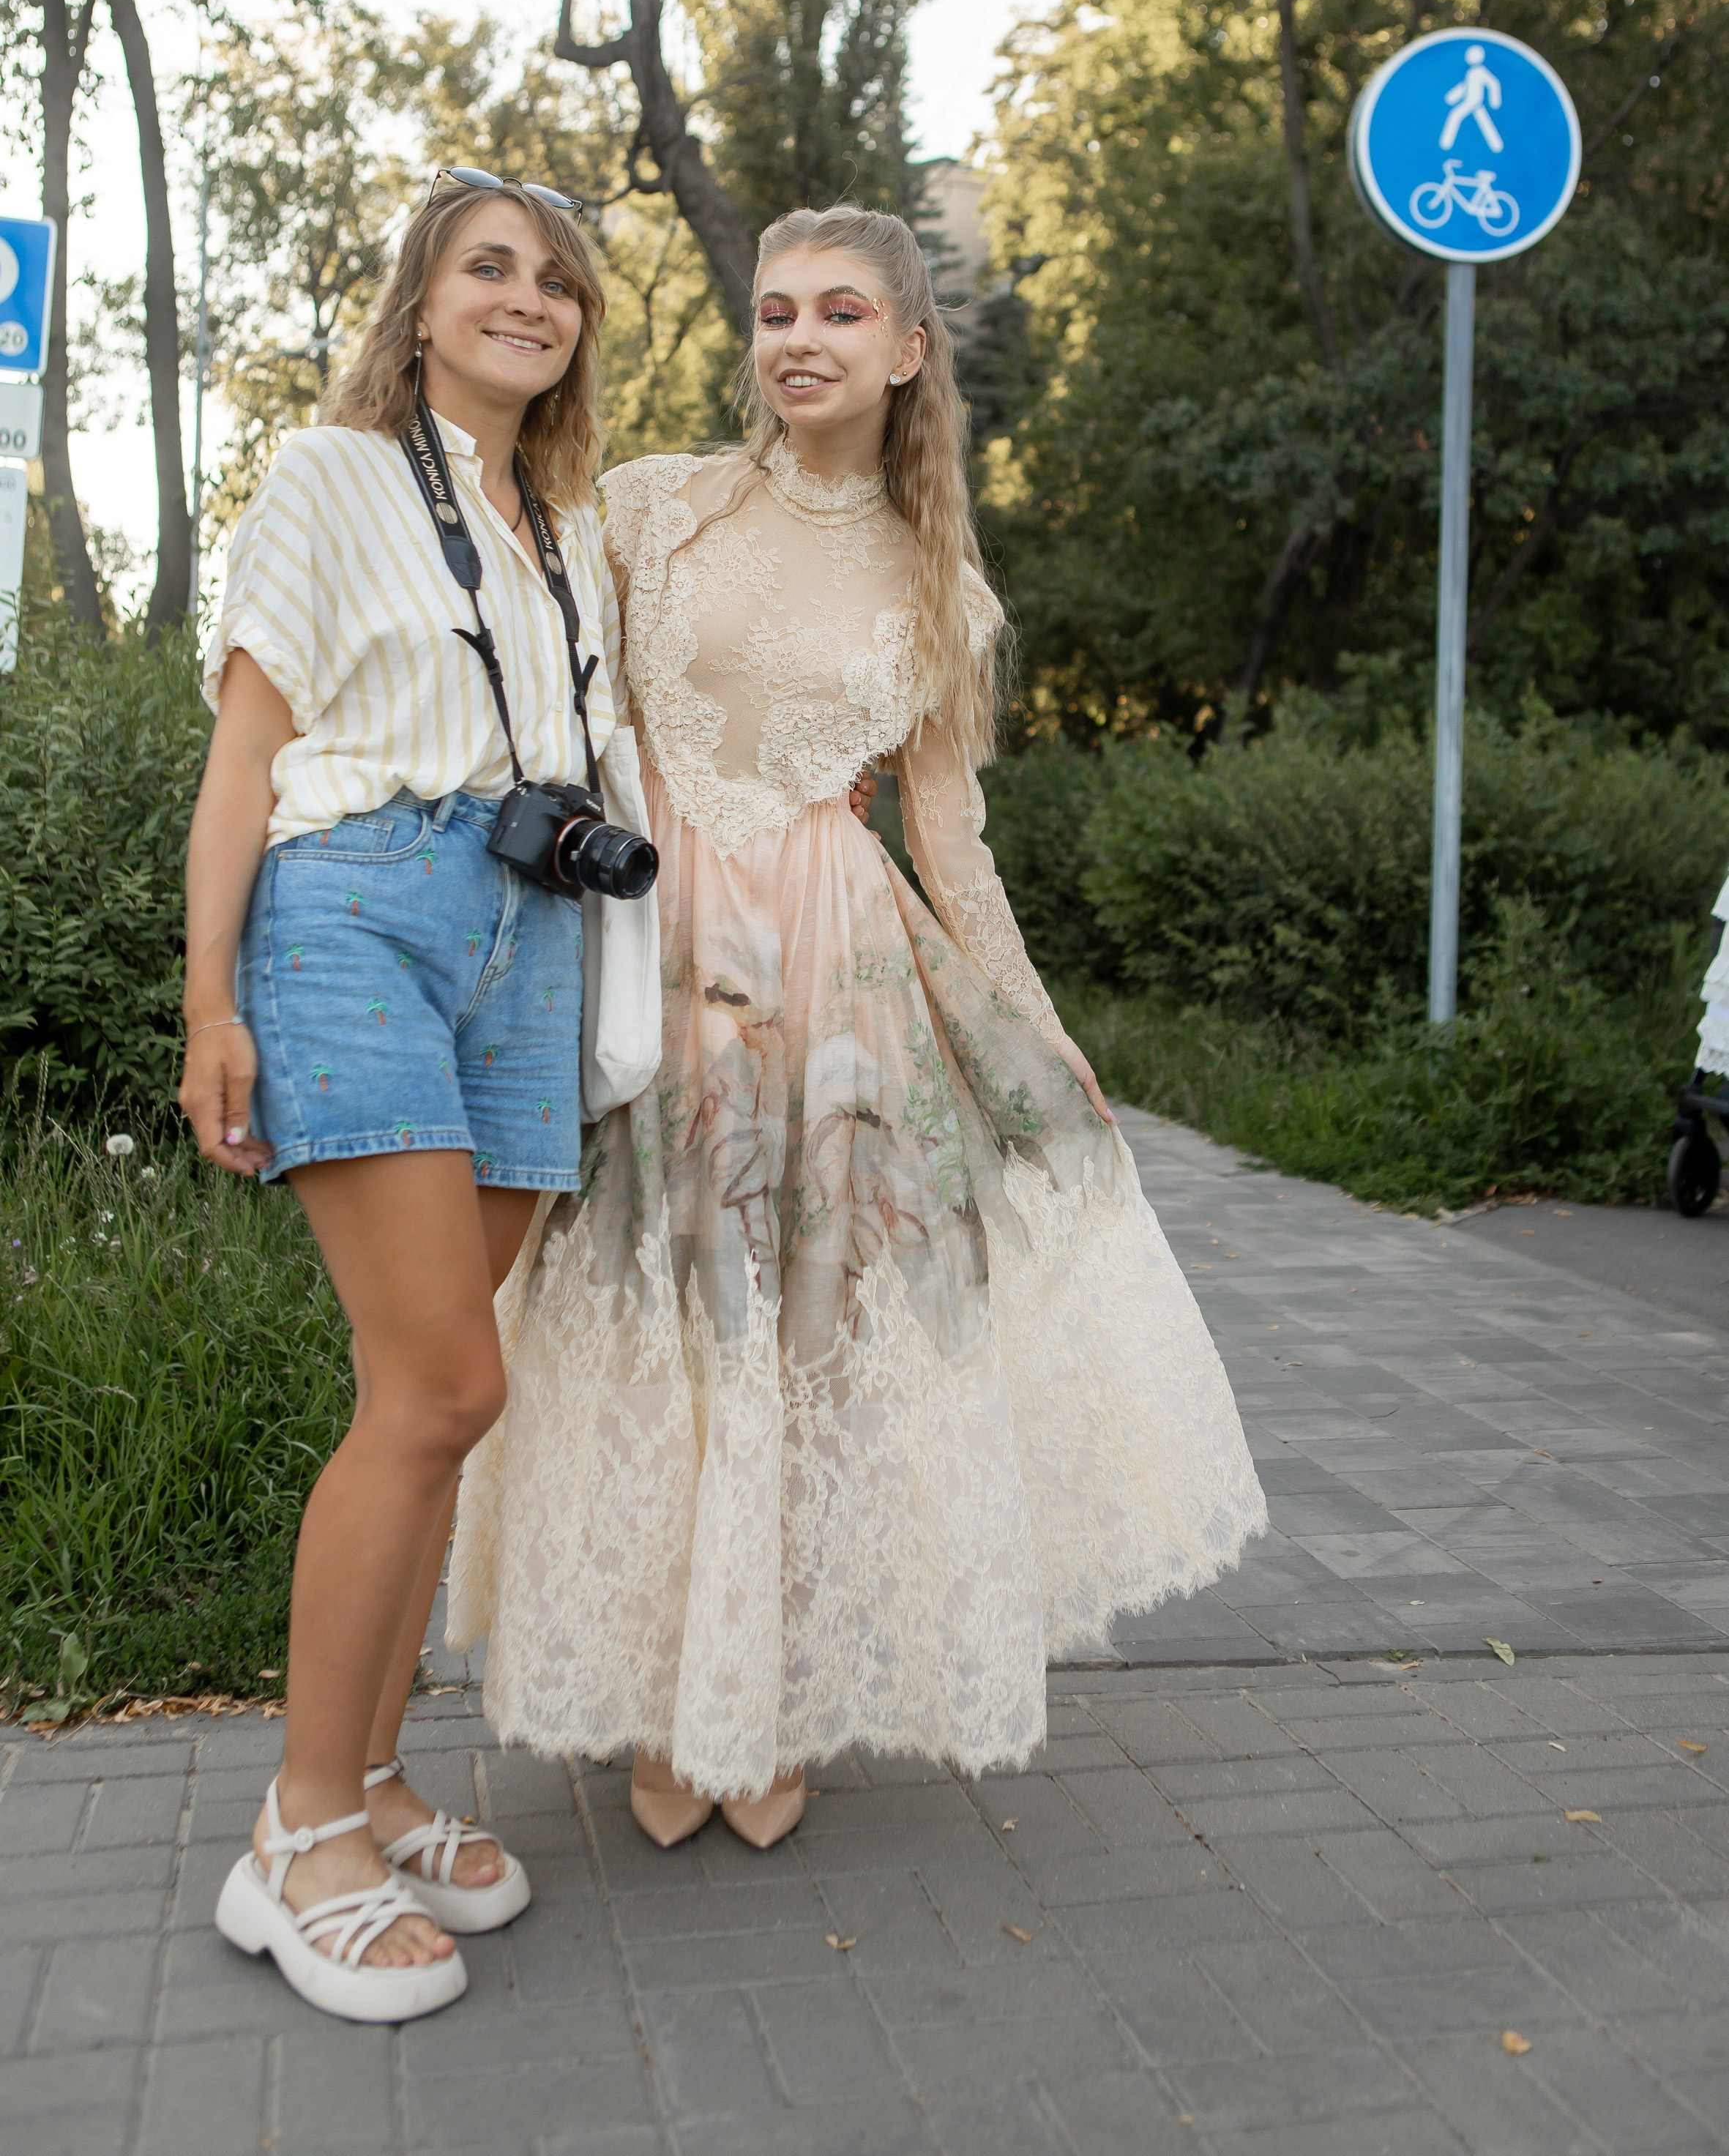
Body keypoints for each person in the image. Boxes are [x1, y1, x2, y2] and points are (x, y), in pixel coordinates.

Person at [450, 205, 1266, 1849]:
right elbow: (545, 706)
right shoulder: (651, 502)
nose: (796, 338)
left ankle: (770, 1702)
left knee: (805, 1332)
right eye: (771, 310)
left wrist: (1041, 1030)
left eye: (837, 310)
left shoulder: (935, 584)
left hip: (839, 984)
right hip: (643, 963)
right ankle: (658, 1693)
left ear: (905, 347)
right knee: (652, 1313)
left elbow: (948, 838)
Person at [180, 170, 621, 2020]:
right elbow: (246, 747)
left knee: (425, 1402)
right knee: (446, 1380)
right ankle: (292, 1831)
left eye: (556, 279)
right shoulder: (332, 472)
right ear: (420, 303)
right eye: (486, 267)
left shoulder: (570, 522)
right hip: (359, 904)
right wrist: (205, 991)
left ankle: (362, 1777)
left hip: (530, 941)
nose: (526, 298)